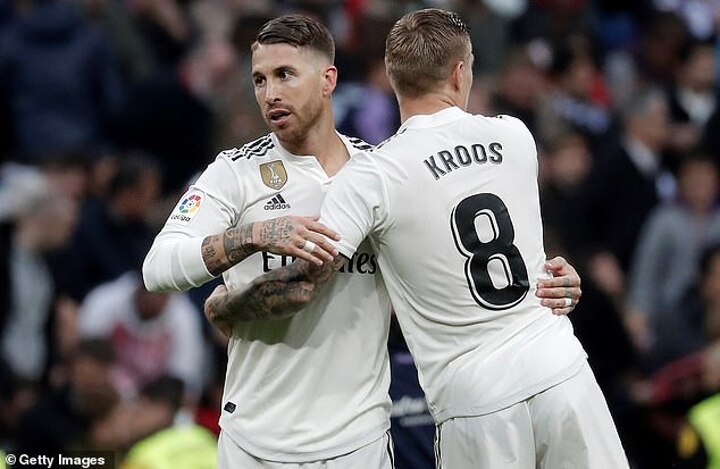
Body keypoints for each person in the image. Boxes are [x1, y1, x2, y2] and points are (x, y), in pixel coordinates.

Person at [145, 14, 582, 468]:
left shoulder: (384, 173)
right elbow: (157, 269)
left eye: (285, 75)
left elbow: (459, 270)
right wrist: (256, 235)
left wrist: (542, 282)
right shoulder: (234, 172)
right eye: (259, 79)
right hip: (254, 438)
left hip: (359, 441)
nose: (270, 93)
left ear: (328, 80)